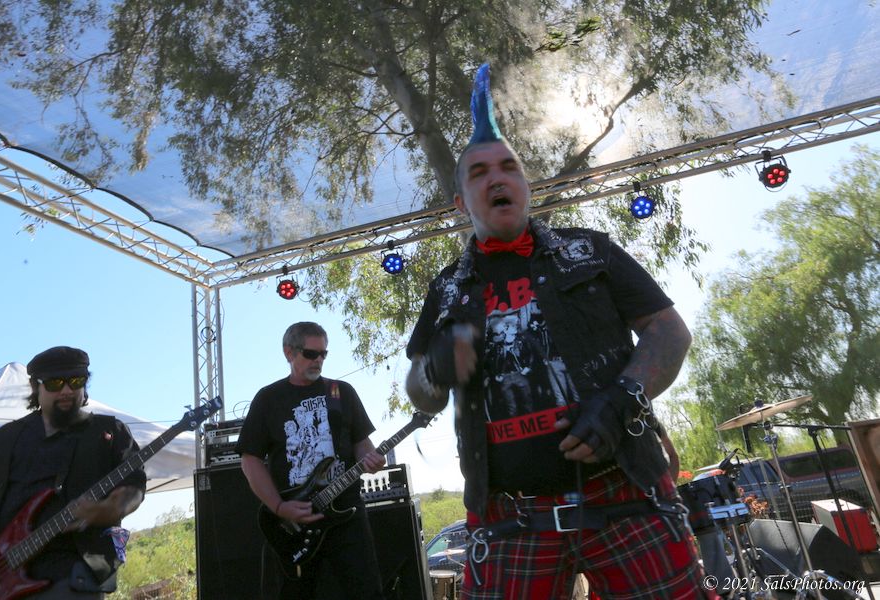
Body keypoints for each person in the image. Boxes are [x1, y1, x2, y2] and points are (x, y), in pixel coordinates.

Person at [405, 64, 715, 600]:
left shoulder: (590, 250)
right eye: (478, 173)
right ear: (460, 203)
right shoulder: (446, 289)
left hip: (626, 496)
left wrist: (620, 401)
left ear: (526, 186)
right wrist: (434, 368)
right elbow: (419, 393)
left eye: (509, 167)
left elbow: (669, 332)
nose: (497, 178)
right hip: (508, 518)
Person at [0, 346, 145, 599]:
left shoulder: (109, 432)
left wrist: (112, 508)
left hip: (74, 576)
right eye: (55, 383)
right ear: (35, 387)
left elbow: (134, 485)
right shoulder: (2, 440)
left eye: (76, 381)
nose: (67, 390)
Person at [236, 321, 386, 599]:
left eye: (323, 354)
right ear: (288, 352)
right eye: (310, 353)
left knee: (366, 591)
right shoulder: (268, 399)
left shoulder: (341, 392)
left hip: (347, 514)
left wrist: (373, 460)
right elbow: (250, 460)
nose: (318, 360)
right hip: (296, 521)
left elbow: (362, 444)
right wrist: (279, 507)